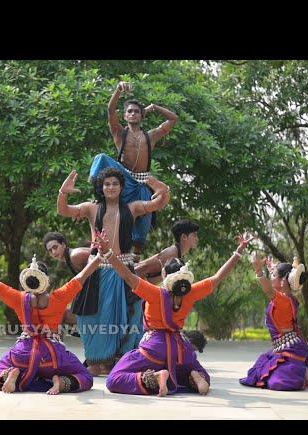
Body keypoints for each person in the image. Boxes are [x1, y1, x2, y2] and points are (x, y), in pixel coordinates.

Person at [99, 231, 254, 396]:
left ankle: (156, 377)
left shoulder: (155, 293)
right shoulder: (191, 293)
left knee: (115, 378)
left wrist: (108, 252)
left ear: (165, 275)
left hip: (154, 350)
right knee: (194, 371)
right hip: (181, 350)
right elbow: (217, 278)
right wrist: (239, 252)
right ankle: (194, 377)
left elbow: (128, 275)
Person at [57, 167, 170, 375]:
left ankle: (118, 362)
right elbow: (64, 211)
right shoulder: (92, 208)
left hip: (123, 271)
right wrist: (63, 192)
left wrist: (162, 189)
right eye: (106, 184)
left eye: (115, 183)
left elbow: (159, 203)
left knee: (129, 316)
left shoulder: (133, 207)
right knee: (92, 317)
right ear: (101, 187)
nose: (110, 187)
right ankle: (96, 360)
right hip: (97, 271)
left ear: (121, 187)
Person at [0, 243, 100, 395]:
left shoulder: (19, 299)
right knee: (85, 376)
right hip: (53, 358)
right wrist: (98, 257)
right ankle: (61, 381)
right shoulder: (58, 298)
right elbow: (81, 276)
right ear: (46, 280)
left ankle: (12, 375)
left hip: (22, 356)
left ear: (26, 280)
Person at [88, 81, 179, 254]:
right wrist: (118, 90)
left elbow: (173, 118)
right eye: (129, 111)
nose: (133, 114)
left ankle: (135, 263)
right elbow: (110, 110)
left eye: (137, 111)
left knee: (140, 235)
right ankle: (98, 197)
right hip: (124, 179)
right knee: (100, 158)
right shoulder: (120, 133)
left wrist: (154, 107)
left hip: (143, 183)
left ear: (142, 116)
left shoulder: (150, 136)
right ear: (125, 116)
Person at [239, 254, 308, 391]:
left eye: (273, 275)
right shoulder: (287, 297)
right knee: (257, 372)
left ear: (283, 280)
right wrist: (273, 268)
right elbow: (278, 282)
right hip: (282, 347)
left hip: (291, 350)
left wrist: (259, 271)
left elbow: (268, 291)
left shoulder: (284, 301)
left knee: (278, 382)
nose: (271, 277)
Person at [135, 219, 200, 285]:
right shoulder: (171, 253)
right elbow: (141, 268)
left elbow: (151, 280)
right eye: (194, 235)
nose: (197, 238)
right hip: (130, 283)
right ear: (184, 237)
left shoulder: (178, 254)